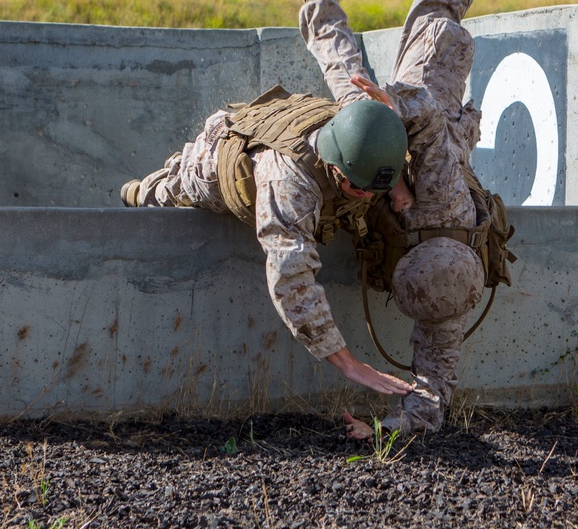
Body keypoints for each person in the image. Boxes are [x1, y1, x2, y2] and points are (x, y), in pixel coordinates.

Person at [270, 0, 509, 439]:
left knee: (345, 82)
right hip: (425, 117)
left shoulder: (443, 300)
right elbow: (425, 115)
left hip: (393, 146)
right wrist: (390, 105)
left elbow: (430, 396)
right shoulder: (443, 199)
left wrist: (386, 430)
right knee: (434, 17)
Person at [121, 57, 417, 398]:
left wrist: (397, 190)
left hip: (284, 124)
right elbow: (290, 278)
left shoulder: (375, 123)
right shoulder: (289, 182)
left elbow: (387, 138)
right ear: (335, 166)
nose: (367, 195)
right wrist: (350, 364)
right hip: (220, 158)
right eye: (358, 187)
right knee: (168, 191)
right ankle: (146, 187)